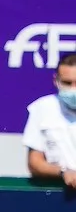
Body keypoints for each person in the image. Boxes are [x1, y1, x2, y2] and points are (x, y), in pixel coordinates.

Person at [22, 52, 76, 188]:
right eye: (67, 83)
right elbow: (34, 162)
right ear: (56, 81)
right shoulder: (42, 108)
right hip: (58, 196)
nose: (73, 89)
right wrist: (63, 172)